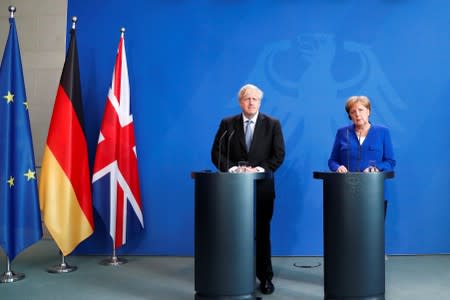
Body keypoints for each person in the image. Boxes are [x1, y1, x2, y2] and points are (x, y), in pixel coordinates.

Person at [211, 84, 285, 295]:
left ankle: (265, 278)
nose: (251, 102)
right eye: (247, 99)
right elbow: (217, 153)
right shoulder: (228, 124)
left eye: (255, 99)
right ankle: (234, 276)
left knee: (262, 232)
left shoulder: (272, 124)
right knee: (235, 233)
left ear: (260, 102)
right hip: (233, 189)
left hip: (262, 187)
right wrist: (234, 169)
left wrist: (259, 169)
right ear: (240, 102)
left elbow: (279, 155)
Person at [328, 95, 396, 173]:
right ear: (350, 116)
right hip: (346, 183)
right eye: (353, 112)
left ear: (368, 111)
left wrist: (376, 168)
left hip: (373, 183)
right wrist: (338, 167)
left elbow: (390, 162)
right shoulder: (342, 132)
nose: (357, 114)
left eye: (360, 110)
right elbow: (332, 161)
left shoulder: (383, 132)